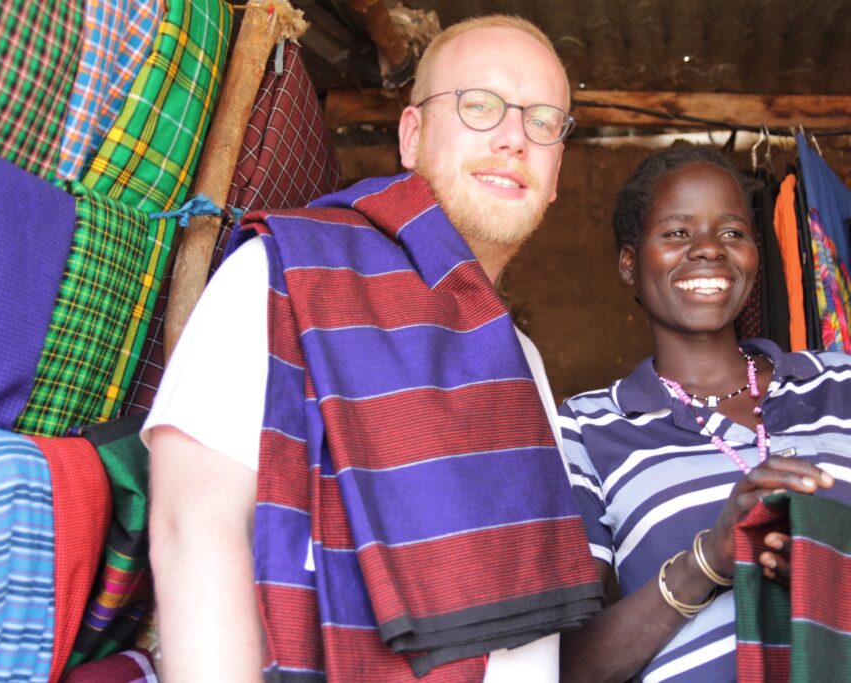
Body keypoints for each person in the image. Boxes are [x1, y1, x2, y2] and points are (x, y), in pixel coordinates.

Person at [145, 15, 601, 682]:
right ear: (412, 136)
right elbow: (192, 528)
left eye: (543, 121)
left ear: (557, 171)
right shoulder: (285, 276)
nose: (513, 137)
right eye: (480, 105)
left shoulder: (522, 361)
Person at [557, 145, 851, 682]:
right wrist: (708, 561)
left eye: (732, 233)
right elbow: (563, 668)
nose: (709, 250)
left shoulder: (843, 384)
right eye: (677, 233)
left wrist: (837, 564)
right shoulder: (586, 429)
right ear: (631, 264)